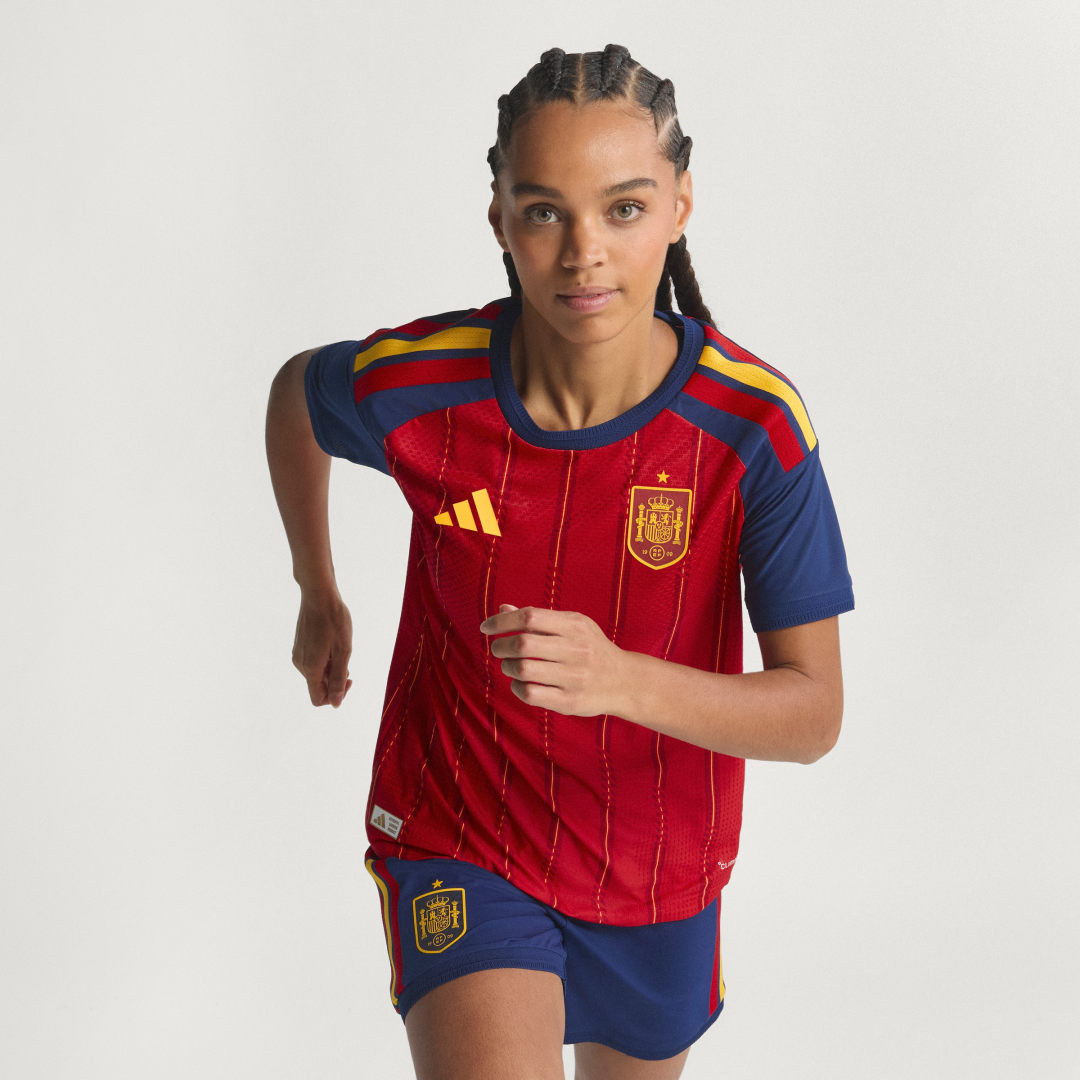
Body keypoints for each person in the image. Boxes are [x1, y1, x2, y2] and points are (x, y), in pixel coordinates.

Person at [266, 44, 853, 1080]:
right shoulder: (424, 388)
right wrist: (318, 589)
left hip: (658, 868)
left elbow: (813, 714)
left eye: (624, 209)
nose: (584, 251)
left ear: (679, 205)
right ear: (500, 220)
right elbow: (295, 399)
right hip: (459, 832)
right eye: (545, 212)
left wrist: (617, 679)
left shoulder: (753, 426)